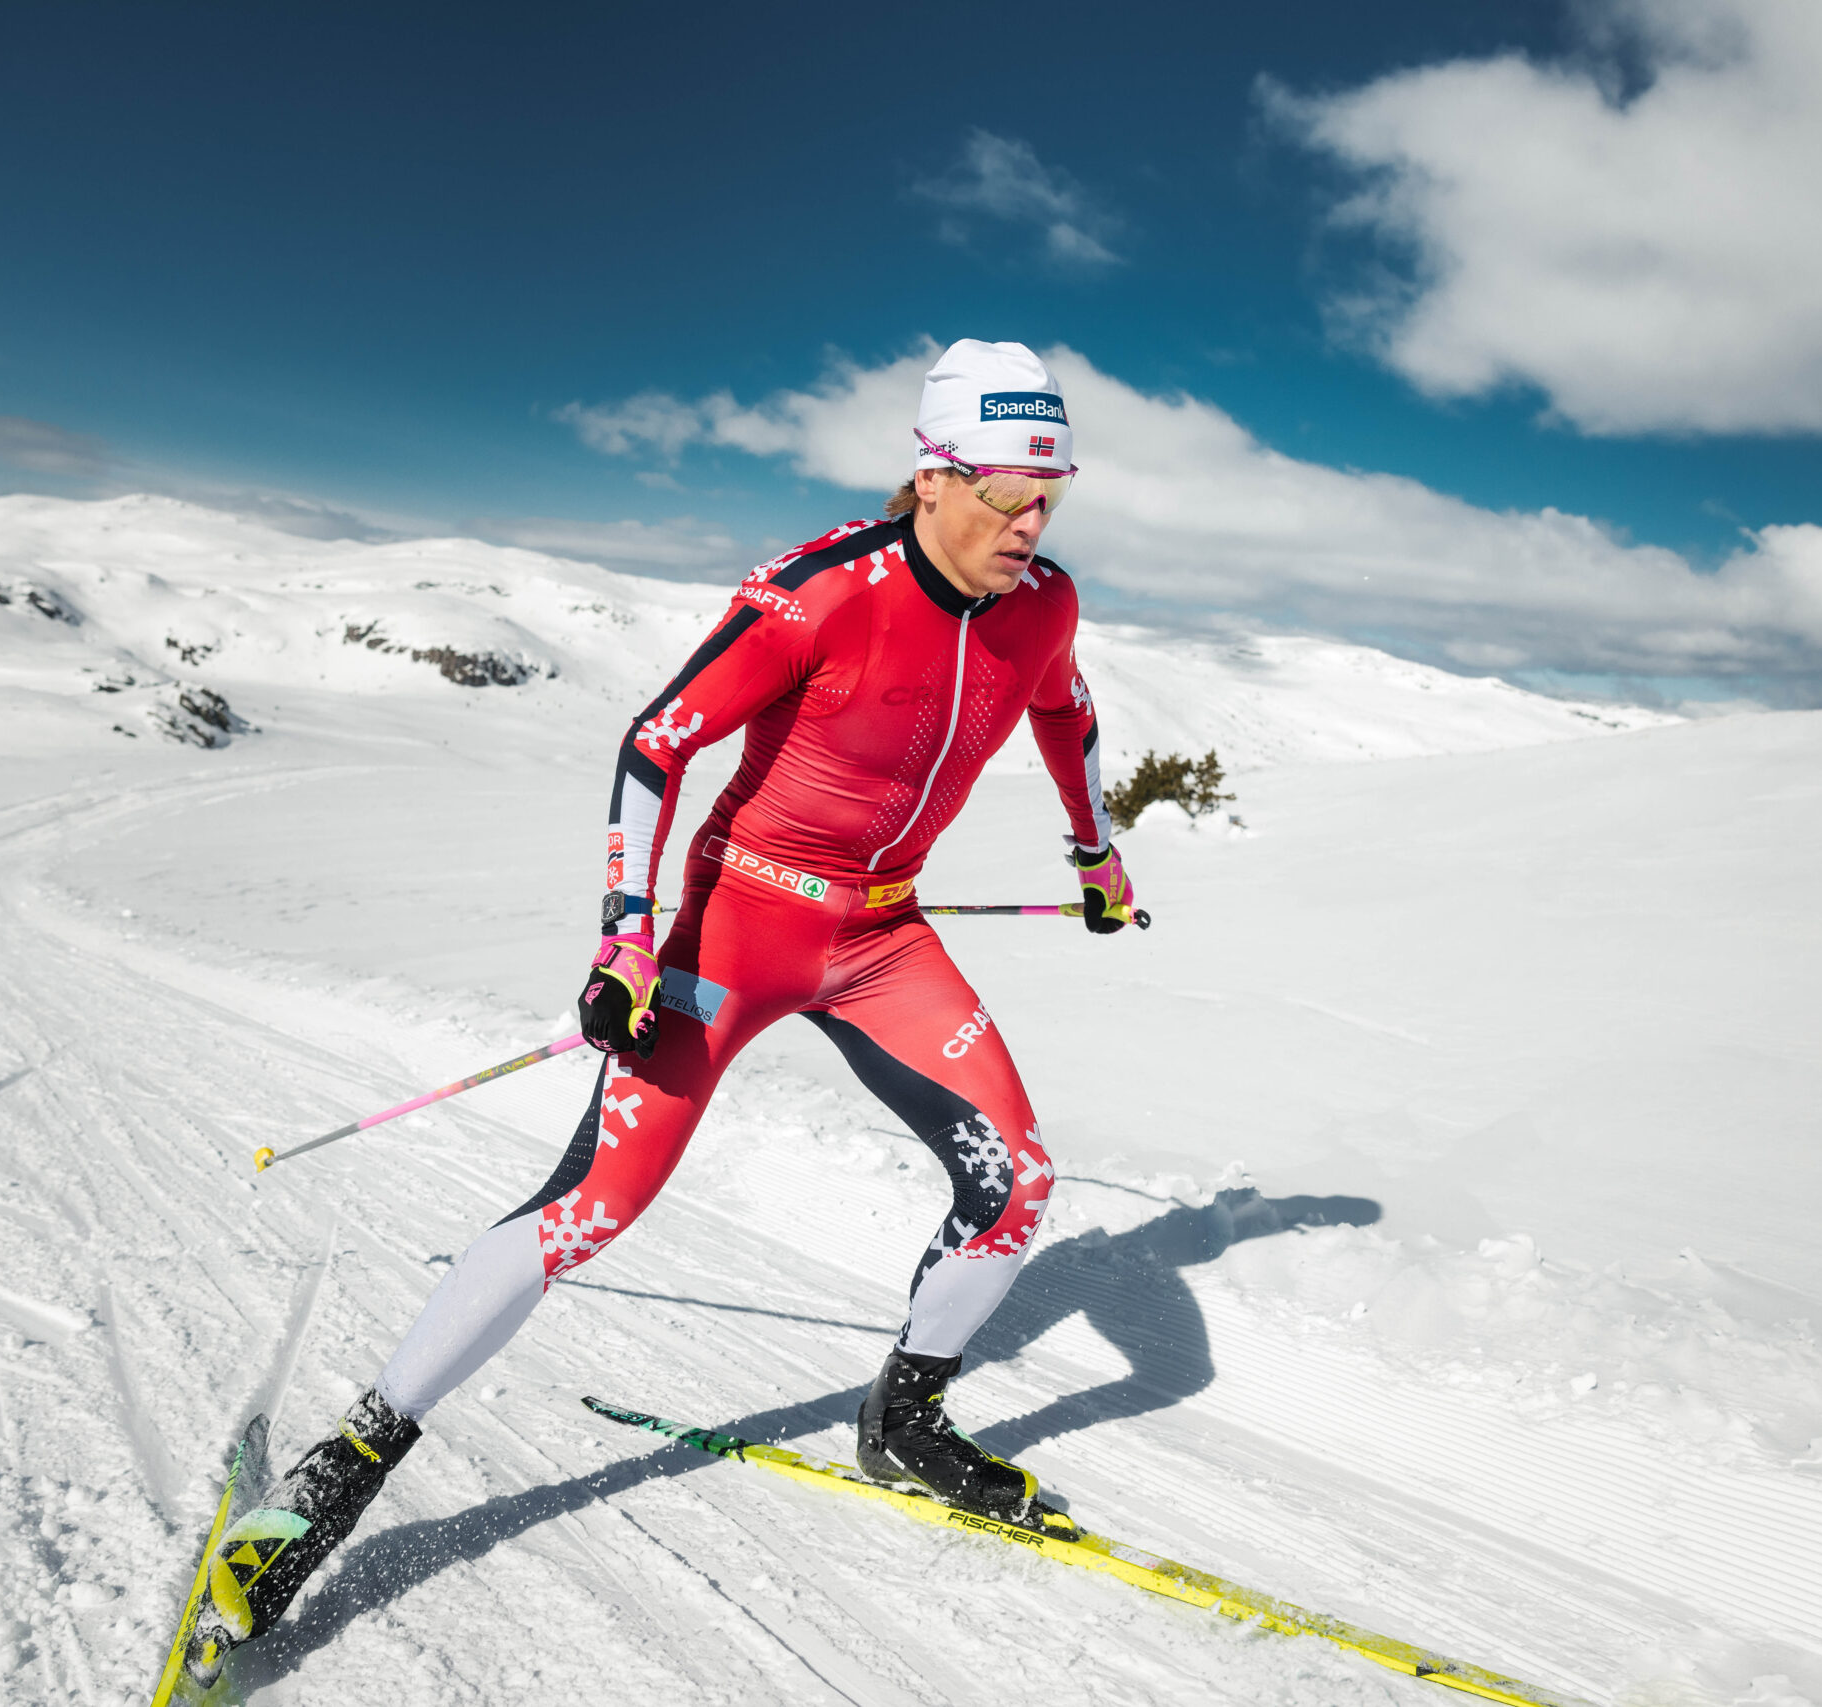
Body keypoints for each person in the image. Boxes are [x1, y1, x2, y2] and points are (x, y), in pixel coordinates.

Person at [185, 340, 1139, 1682]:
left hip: (883, 936)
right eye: (1004, 493)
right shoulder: (821, 593)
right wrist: (627, 939)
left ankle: (904, 1420)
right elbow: (657, 740)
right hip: (740, 924)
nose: (1030, 523)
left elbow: (1065, 712)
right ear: (933, 476)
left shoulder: (1043, 604)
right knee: (591, 1209)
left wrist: (1097, 853)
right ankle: (337, 1474)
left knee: (1017, 1178)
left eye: (1052, 494)